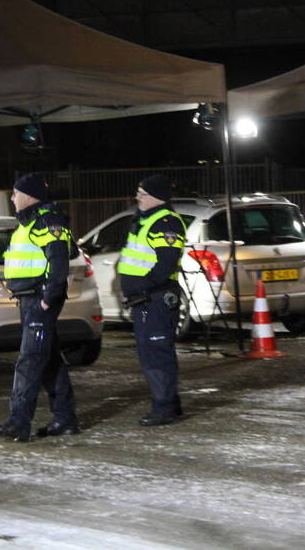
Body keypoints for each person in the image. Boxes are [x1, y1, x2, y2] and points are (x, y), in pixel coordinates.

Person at [0, 173, 78, 442]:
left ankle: (18, 422)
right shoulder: (30, 222)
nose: (12, 198)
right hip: (30, 298)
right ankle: (65, 419)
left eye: (15, 193)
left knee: (29, 360)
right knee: (49, 359)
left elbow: (59, 260)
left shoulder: (46, 221)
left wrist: (48, 297)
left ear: (29, 196)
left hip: (39, 299)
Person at [118, 174, 187, 426]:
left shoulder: (166, 223)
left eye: (142, 193)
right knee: (152, 353)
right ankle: (170, 403)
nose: (137, 197)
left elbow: (165, 264)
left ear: (157, 197)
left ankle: (164, 408)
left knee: (156, 355)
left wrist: (141, 287)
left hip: (155, 299)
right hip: (145, 300)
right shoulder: (145, 220)